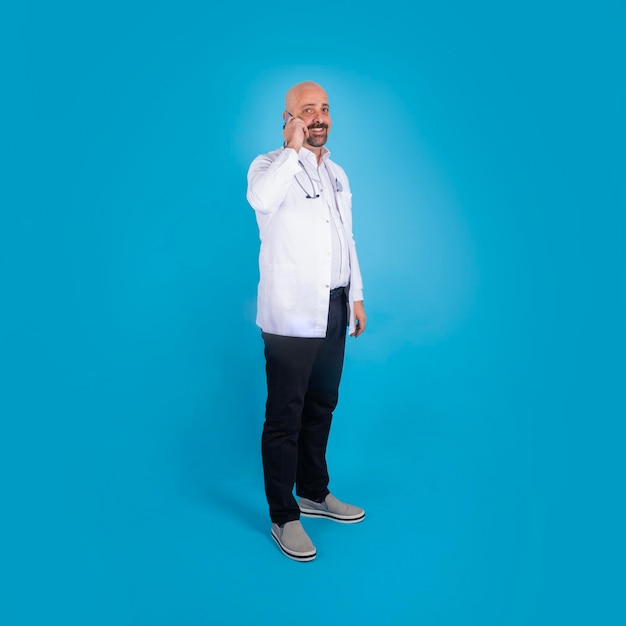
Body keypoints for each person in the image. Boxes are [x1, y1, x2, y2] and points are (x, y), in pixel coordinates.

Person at [246, 81, 367, 562]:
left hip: (335, 307)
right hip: (291, 315)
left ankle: (314, 492)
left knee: (322, 405)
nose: (318, 117)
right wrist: (292, 150)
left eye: (324, 109)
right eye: (306, 110)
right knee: (285, 417)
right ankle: (283, 515)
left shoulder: (337, 172)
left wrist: (356, 295)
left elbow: (347, 238)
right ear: (288, 118)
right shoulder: (268, 168)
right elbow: (260, 200)